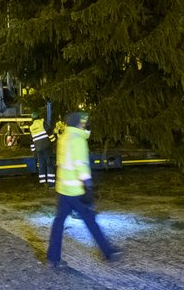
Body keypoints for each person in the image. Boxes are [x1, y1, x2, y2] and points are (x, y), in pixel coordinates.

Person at [46, 111, 121, 268]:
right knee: (90, 221)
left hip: (63, 189)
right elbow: (81, 164)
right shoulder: (78, 140)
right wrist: (87, 185)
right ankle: (109, 252)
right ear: (78, 123)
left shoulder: (64, 138)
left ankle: (53, 258)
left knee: (58, 222)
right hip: (77, 190)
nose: (85, 124)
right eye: (83, 122)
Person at [29, 110, 57, 187]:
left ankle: (42, 182)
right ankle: (51, 183)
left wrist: (33, 151)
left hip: (38, 150)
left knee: (41, 165)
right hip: (47, 147)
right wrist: (54, 141)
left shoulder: (31, 128)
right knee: (49, 164)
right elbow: (49, 132)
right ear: (39, 117)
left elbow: (31, 141)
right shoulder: (43, 123)